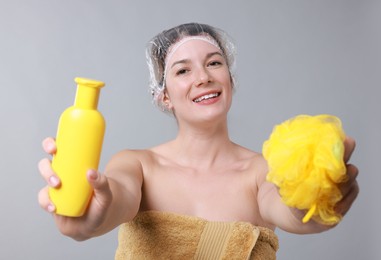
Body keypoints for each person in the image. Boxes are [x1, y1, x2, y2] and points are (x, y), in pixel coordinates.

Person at [38, 23, 359, 259]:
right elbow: (114, 199)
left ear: (230, 78)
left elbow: (287, 210)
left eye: (214, 63)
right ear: (163, 96)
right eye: (182, 71)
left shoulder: (262, 171)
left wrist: (313, 210)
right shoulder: (137, 166)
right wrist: (85, 219)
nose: (203, 77)